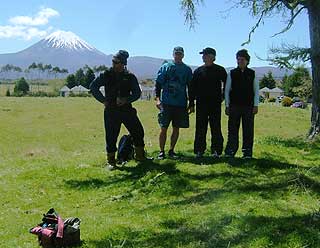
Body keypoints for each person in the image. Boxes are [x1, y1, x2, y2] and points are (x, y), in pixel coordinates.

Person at [90, 50, 148, 170]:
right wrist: (103, 100)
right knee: (111, 137)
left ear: (123, 63)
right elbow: (93, 87)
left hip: (127, 109)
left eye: (117, 62)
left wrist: (126, 100)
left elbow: (137, 93)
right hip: (111, 111)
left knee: (138, 131)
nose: (114, 64)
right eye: (113, 61)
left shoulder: (130, 77)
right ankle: (111, 161)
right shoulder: (106, 75)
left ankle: (140, 156)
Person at [188, 47, 227, 158]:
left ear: (212, 56)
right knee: (200, 127)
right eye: (203, 55)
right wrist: (191, 103)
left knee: (216, 127)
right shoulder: (198, 71)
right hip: (201, 104)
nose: (203, 57)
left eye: (205, 54)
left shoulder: (220, 70)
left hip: (215, 104)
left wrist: (223, 97)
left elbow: (227, 85)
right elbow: (192, 88)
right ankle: (199, 151)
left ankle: (216, 151)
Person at [155, 46, 193, 159]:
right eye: (176, 53)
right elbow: (158, 83)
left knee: (176, 128)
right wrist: (157, 99)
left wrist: (191, 103)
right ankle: (161, 151)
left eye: (180, 53)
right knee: (163, 127)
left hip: (180, 104)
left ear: (183, 55)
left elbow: (190, 87)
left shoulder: (187, 70)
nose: (178, 55)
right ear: (173, 54)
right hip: (166, 103)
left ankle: (171, 150)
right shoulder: (166, 67)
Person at [224, 49, 259, 158]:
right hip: (234, 106)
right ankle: (230, 151)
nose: (240, 62)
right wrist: (227, 105)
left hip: (248, 106)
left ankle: (247, 152)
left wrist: (256, 105)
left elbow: (256, 91)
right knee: (232, 130)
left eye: (242, 60)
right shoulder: (232, 73)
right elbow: (227, 90)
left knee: (248, 130)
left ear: (247, 61)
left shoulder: (252, 74)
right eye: (238, 59)